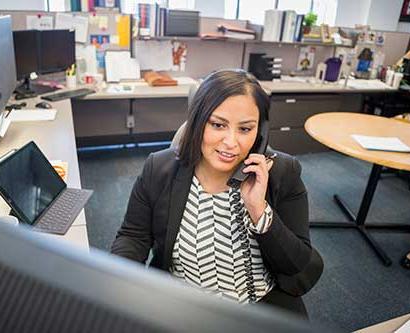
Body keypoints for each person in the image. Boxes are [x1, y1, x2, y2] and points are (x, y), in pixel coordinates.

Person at [111, 69, 323, 318]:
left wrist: (259, 210)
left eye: (245, 129)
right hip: (182, 306)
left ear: (261, 132)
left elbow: (295, 263)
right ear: (198, 122)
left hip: (258, 311)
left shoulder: (281, 173)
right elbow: (133, 237)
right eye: (218, 125)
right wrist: (116, 286)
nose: (231, 142)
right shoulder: (159, 169)